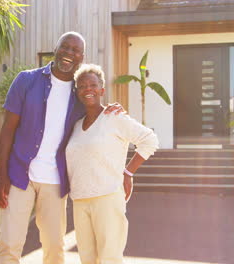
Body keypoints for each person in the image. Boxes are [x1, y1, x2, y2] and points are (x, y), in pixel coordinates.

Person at [0, 32, 122, 264]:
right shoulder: (26, 80)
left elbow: (96, 113)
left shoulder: (80, 93)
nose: (69, 53)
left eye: (75, 50)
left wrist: (111, 109)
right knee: (9, 245)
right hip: (19, 175)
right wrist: (1, 176)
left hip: (55, 180)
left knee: (54, 248)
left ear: (82, 57)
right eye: (65, 47)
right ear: (56, 48)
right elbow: (7, 132)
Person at [66, 64, 159, 264]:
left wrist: (128, 172)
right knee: (87, 259)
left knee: (110, 259)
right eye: (82, 86)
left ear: (102, 90)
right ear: (77, 92)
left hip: (107, 198)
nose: (88, 89)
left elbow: (149, 139)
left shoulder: (114, 117)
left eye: (93, 85)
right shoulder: (75, 125)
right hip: (80, 200)